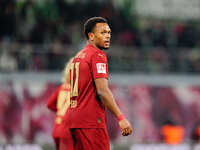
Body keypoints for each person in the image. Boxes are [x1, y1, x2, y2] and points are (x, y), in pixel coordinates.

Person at [64, 17, 132, 150]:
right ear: (91, 36)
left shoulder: (78, 57)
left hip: (75, 121)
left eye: (109, 32)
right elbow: (102, 91)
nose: (107, 36)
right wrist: (121, 117)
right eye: (103, 33)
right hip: (91, 122)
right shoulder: (97, 55)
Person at [47, 58, 74, 150]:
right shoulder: (77, 91)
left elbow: (49, 104)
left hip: (57, 128)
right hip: (68, 131)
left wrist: (60, 111)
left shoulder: (61, 88)